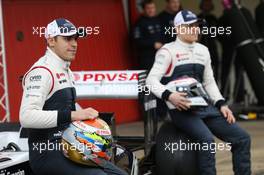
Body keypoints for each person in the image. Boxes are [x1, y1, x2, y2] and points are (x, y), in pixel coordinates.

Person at [146, 10, 251, 175]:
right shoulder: (167, 52)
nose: (196, 29)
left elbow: (209, 82)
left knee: (242, 138)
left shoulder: (203, 50)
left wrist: (221, 103)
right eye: (191, 26)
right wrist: (170, 96)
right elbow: (150, 81)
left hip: (205, 106)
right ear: (178, 29)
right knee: (206, 140)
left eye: (197, 26)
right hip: (181, 109)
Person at [19, 18, 127, 175]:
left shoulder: (65, 70)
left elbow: (63, 109)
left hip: (70, 147)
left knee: (121, 171)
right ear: (51, 40)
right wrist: (74, 115)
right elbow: (26, 117)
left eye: (75, 38)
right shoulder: (42, 71)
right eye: (67, 39)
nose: (74, 44)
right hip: (47, 153)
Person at [133, 0, 163, 71]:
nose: (151, 10)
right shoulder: (139, 23)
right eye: (148, 8)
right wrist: (153, 44)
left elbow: (165, 35)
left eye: (152, 8)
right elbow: (137, 41)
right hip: (147, 59)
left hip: (161, 56)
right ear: (143, 10)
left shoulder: (159, 20)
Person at [198, 0, 220, 83]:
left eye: (209, 4)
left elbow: (218, 34)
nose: (207, 6)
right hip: (201, 48)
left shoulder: (213, 18)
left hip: (213, 47)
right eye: (205, 4)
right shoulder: (198, 18)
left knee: (216, 69)